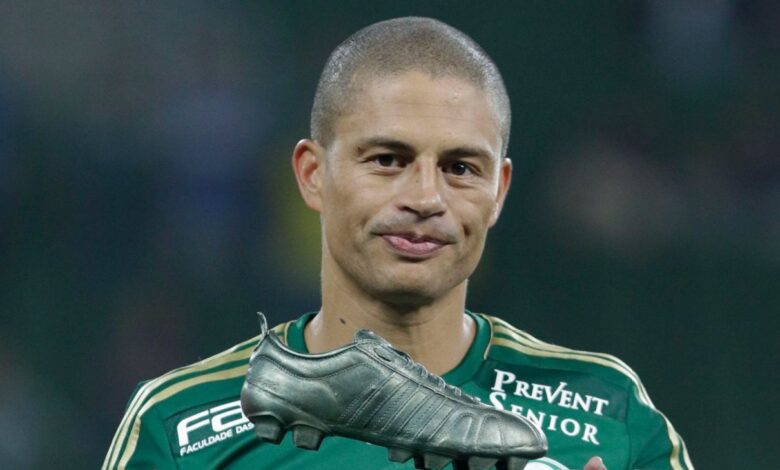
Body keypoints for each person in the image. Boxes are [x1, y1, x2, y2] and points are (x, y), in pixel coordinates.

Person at [103, 17, 693, 470]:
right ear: (313, 175)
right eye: (387, 159)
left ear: (499, 192)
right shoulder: (177, 428)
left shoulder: (609, 413)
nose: (426, 197)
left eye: (461, 167)